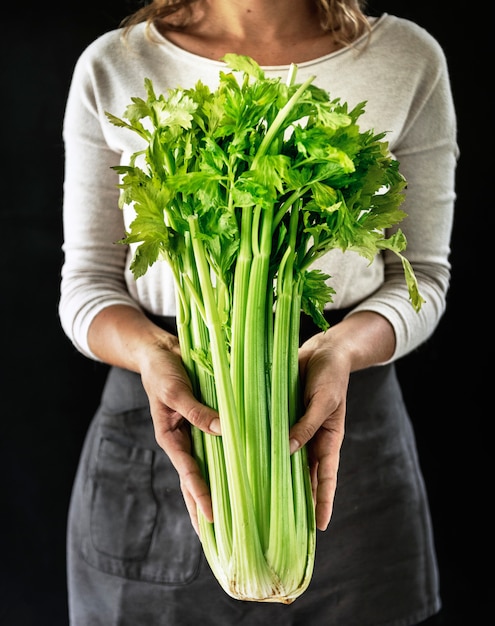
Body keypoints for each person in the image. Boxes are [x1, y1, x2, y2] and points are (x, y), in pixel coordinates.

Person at [59, 1, 458, 624]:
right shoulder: (116, 64)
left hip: (349, 419)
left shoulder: (405, 58)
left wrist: (342, 349)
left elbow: (424, 279)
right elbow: (87, 287)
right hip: (169, 417)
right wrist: (149, 352)